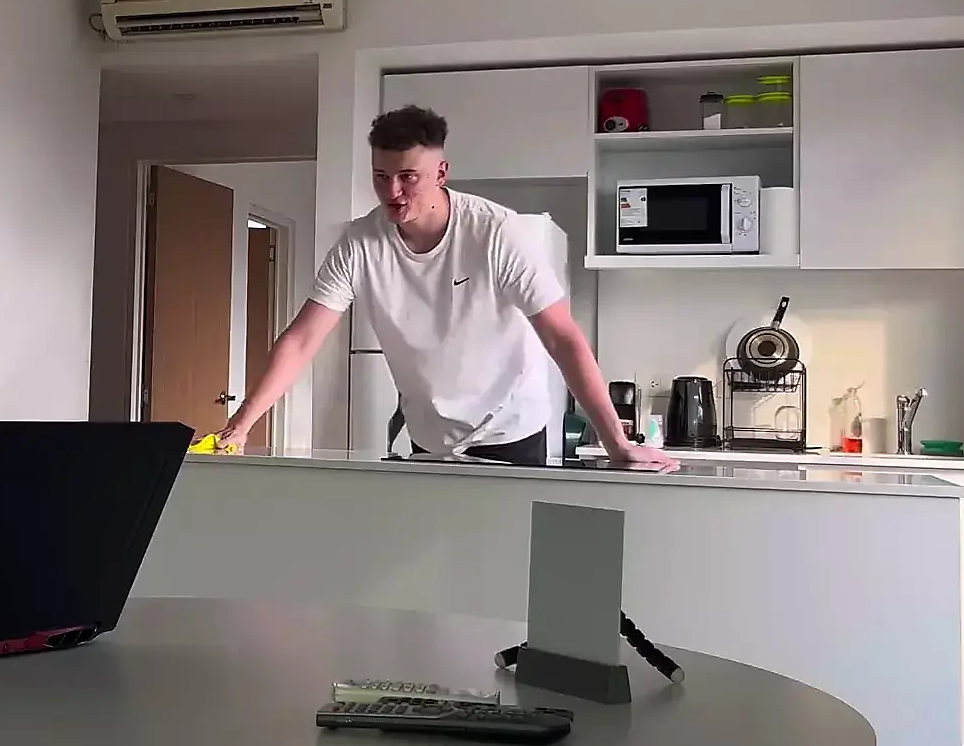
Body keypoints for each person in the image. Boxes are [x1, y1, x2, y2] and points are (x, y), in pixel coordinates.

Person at [212, 106, 678, 472]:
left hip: (509, 431)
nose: (392, 192)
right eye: (380, 177)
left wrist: (615, 442)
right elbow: (301, 339)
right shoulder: (360, 242)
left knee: (505, 556)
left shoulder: (498, 233)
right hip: (428, 435)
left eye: (407, 177)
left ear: (440, 172)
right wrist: (241, 425)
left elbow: (562, 338)